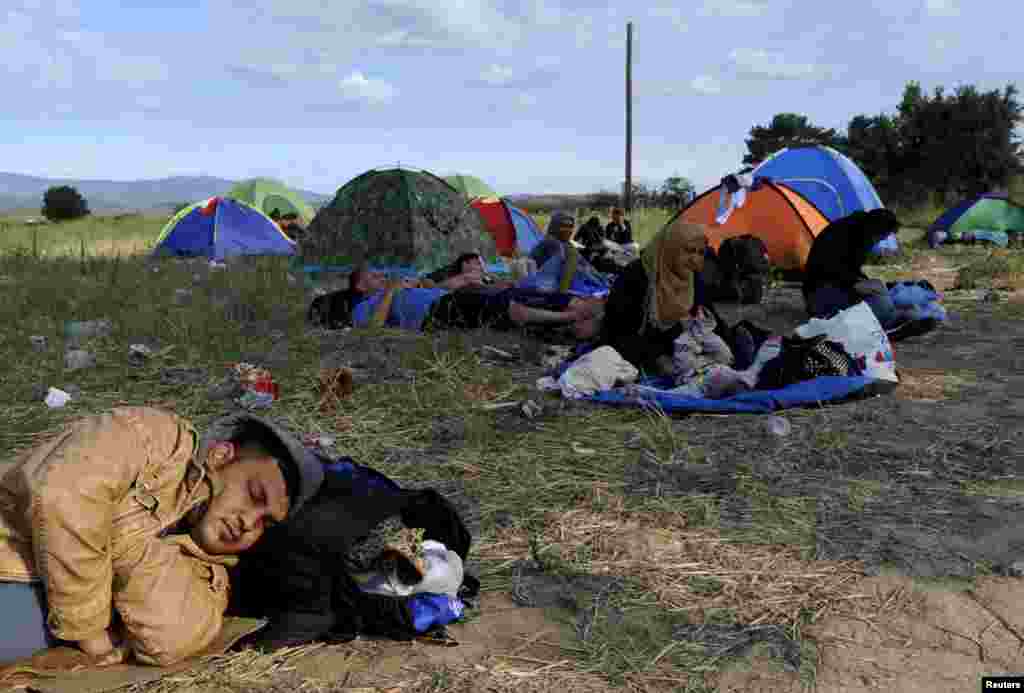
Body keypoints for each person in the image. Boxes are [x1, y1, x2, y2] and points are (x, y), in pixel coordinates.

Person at [0, 409, 324, 666]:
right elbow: (63, 495)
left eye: (265, 523)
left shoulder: (209, 568)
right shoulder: (152, 439)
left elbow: (169, 640)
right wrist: (90, 633)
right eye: (254, 494)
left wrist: (139, 546)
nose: (248, 523)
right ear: (221, 456)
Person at [588, 218, 720, 376]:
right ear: (670, 248)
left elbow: (708, 316)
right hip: (637, 343)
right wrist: (656, 358)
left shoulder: (692, 279)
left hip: (679, 343)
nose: (695, 260)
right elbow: (619, 328)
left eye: (700, 253)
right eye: (689, 251)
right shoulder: (637, 275)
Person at [348, 264, 601, 333]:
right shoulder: (364, 305)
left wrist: (421, 283)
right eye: (374, 276)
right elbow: (372, 329)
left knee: (516, 292)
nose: (381, 276)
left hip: (449, 296)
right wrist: (391, 291)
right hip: (435, 312)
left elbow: (435, 285)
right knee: (500, 306)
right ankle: (570, 317)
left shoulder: (395, 288)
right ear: (360, 285)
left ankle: (579, 305)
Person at [802, 208, 910, 328]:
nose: (881, 241)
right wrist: (856, 284)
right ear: (875, 229)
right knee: (870, 303)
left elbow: (849, 269)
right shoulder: (846, 235)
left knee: (875, 290)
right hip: (819, 296)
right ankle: (888, 323)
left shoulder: (856, 230)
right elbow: (830, 271)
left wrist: (863, 282)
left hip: (827, 289)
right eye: (881, 237)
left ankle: (889, 318)